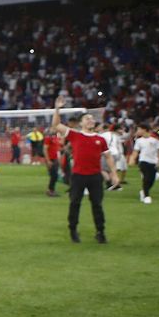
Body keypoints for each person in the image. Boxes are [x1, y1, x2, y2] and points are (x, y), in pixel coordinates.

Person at [51, 94, 119, 244]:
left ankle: (100, 232)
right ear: (81, 123)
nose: (90, 120)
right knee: (75, 203)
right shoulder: (74, 135)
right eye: (87, 119)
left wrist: (114, 174)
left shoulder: (100, 139)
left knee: (97, 205)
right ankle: (73, 230)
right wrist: (57, 109)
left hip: (95, 176)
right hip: (78, 176)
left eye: (91, 118)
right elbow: (56, 125)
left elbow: (108, 157)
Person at [130, 126, 159, 204]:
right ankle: (147, 196)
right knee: (146, 178)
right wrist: (132, 159)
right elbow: (136, 151)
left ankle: (143, 191)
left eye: (139, 129)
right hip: (143, 161)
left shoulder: (156, 140)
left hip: (153, 162)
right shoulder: (139, 141)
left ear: (144, 130)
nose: (138, 131)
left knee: (151, 180)